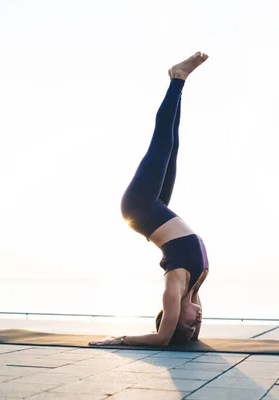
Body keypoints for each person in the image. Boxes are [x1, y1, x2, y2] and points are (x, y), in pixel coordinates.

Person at [89, 52, 210, 347]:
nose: (196, 323)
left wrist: (118, 340)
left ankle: (177, 78)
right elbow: (187, 327)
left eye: (187, 325)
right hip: (157, 210)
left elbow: (162, 338)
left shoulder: (174, 288)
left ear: (171, 314)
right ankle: (178, 82)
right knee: (174, 143)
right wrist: (191, 336)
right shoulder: (193, 291)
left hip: (139, 208)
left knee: (162, 142)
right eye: (195, 328)